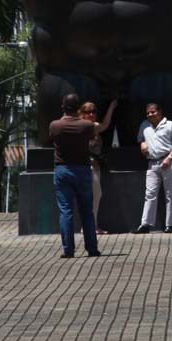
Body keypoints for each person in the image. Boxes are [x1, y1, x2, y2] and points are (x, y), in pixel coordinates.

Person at [49, 93, 113, 257]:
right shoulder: (86, 126)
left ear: (63, 108)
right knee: (87, 211)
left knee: (66, 211)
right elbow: (101, 128)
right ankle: (92, 248)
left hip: (63, 169)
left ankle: (68, 250)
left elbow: (52, 138)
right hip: (83, 169)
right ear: (78, 109)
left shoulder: (55, 125)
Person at [136, 101, 172, 234]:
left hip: (168, 161)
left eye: (153, 111)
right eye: (148, 113)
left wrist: (169, 158)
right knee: (150, 194)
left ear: (160, 111)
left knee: (170, 194)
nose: (150, 115)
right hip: (152, 163)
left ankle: (171, 224)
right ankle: (145, 224)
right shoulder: (144, 125)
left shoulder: (170, 125)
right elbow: (141, 139)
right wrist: (143, 145)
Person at [80, 100, 115, 228]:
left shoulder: (93, 125)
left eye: (93, 111)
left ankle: (92, 225)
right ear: (82, 113)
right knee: (94, 195)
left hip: (95, 166)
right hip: (87, 166)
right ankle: (90, 226)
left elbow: (105, 124)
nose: (91, 114)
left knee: (94, 195)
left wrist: (111, 107)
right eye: (87, 112)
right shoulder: (83, 126)